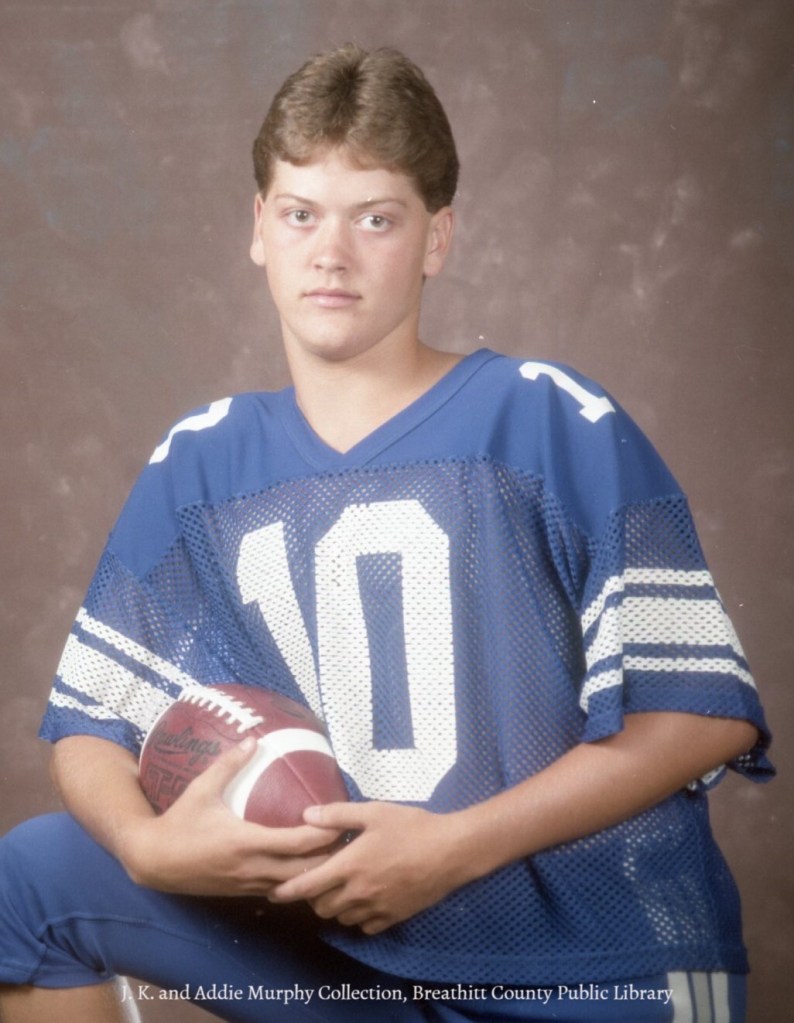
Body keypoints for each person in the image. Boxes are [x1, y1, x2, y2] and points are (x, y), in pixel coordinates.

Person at [0, 44, 773, 1023]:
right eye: (301, 214)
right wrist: (147, 846)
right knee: (31, 882)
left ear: (436, 239)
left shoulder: (544, 421)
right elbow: (88, 727)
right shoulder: (202, 463)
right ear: (258, 229)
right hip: (349, 961)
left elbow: (702, 713)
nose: (331, 253)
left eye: (374, 218)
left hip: (589, 969)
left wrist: (454, 847)